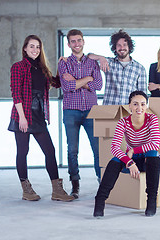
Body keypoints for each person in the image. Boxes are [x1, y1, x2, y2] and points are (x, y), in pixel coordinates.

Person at [8, 35, 74, 202]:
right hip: (22, 115)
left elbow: (57, 83)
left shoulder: (42, 68)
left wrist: (62, 65)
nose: (35, 50)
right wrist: (22, 118)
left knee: (50, 151)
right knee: (23, 152)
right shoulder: (18, 67)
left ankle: (57, 191)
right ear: (25, 48)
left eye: (38, 47)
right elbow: (16, 93)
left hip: (38, 116)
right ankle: (26, 189)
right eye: (31, 46)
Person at [93, 91, 160, 217]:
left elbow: (155, 144)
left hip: (148, 159)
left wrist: (133, 150)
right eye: (135, 104)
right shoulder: (123, 122)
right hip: (131, 160)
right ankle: (100, 201)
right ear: (129, 106)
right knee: (114, 161)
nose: (139, 108)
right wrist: (129, 162)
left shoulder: (152, 119)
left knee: (153, 155)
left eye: (142, 104)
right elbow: (114, 147)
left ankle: (151, 200)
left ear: (146, 106)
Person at [58, 29, 102, 199]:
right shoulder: (64, 63)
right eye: (73, 41)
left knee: (97, 149)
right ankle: (75, 184)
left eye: (79, 40)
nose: (77, 44)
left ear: (83, 42)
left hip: (91, 110)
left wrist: (78, 81)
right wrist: (87, 79)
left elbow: (98, 84)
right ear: (68, 44)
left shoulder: (92, 62)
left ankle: (101, 181)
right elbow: (67, 87)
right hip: (71, 111)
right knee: (72, 150)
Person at [88, 29, 147, 105]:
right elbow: (88, 57)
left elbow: (143, 95)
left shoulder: (139, 68)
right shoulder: (108, 62)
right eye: (119, 45)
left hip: (129, 110)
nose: (122, 48)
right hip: (109, 109)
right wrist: (101, 57)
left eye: (124, 45)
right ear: (115, 48)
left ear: (129, 47)